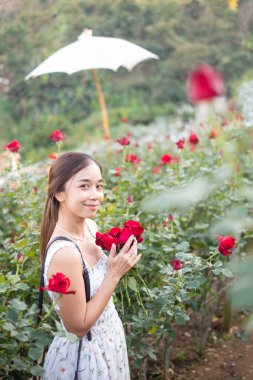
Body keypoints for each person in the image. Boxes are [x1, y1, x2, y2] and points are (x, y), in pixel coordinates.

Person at [40, 152, 142, 379]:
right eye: (84, 186)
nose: (95, 195)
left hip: (108, 342)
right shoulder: (65, 254)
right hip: (84, 356)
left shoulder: (90, 228)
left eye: (99, 186)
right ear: (59, 193)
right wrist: (114, 274)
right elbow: (78, 327)